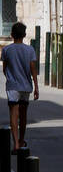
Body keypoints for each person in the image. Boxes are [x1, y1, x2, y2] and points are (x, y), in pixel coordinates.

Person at [2, 22, 39, 153]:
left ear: (12, 35)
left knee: (13, 114)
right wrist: (36, 87)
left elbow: (5, 68)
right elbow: (33, 69)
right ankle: (22, 140)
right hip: (25, 86)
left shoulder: (6, 50)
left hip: (12, 86)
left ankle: (16, 143)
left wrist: (10, 77)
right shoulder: (30, 50)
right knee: (23, 115)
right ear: (24, 35)